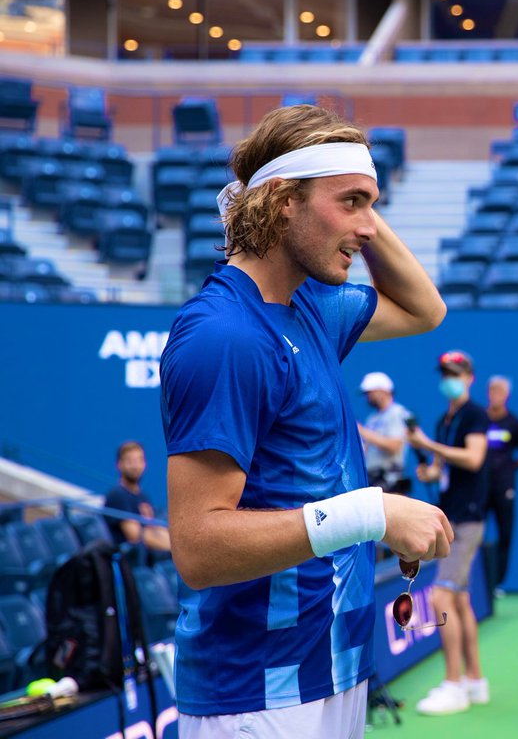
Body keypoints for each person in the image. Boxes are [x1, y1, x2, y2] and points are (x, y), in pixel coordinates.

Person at [160, 104, 454, 739]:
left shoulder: (314, 306)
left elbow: (426, 309)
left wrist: (360, 206)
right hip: (254, 689)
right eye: (349, 202)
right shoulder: (223, 335)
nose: (369, 229)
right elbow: (198, 548)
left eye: (371, 205)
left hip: (335, 666)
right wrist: (372, 514)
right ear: (281, 201)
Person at [407, 350, 491, 716]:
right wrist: (429, 470)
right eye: (445, 372)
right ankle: (475, 681)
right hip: (450, 513)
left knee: (442, 597)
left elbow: (473, 459)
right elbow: (443, 466)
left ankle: (453, 685)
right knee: (458, 600)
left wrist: (427, 446)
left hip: (469, 517)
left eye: (455, 372)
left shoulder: (475, 414)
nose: (449, 378)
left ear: (469, 377)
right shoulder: (445, 420)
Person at [481, 375, 518, 592]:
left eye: (500, 392)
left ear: (507, 396)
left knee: (505, 533)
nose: (495, 396)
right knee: (474, 532)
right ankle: (476, 582)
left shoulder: (514, 423)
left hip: (504, 487)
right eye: (492, 391)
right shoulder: (479, 420)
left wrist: (509, 468)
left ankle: (497, 584)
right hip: (479, 487)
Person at [357, 371, 429, 496]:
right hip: (373, 481)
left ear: (383, 391)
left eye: (370, 393)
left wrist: (362, 431)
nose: (367, 397)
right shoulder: (372, 418)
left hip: (390, 481)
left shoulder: (397, 413)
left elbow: (394, 446)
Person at [103, 440, 171, 553]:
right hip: (129, 563)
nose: (135, 466)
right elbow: (135, 536)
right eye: (129, 461)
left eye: (139, 460)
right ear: (119, 465)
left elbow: (154, 528)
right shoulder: (117, 495)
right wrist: (173, 549)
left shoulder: (143, 496)